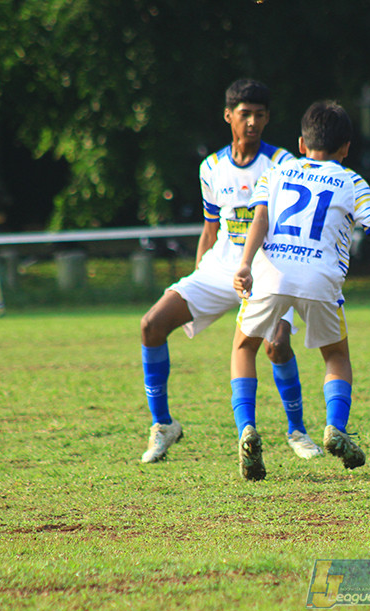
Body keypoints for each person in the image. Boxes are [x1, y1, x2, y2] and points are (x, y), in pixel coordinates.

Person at [231, 100, 370, 481]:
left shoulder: (277, 171)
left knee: (244, 347)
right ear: (346, 149)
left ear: (302, 144)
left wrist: (244, 263)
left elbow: (261, 218)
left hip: (272, 274)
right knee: (336, 355)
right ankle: (335, 425)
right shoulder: (352, 181)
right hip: (320, 278)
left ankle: (247, 430)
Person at [138, 79, 323, 464]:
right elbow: (211, 227)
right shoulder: (212, 167)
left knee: (277, 346)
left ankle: (297, 431)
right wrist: (199, 276)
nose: (252, 122)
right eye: (244, 114)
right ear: (229, 116)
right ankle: (163, 426)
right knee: (151, 325)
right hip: (221, 268)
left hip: (268, 270)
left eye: (259, 115)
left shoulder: (284, 164)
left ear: (268, 118)